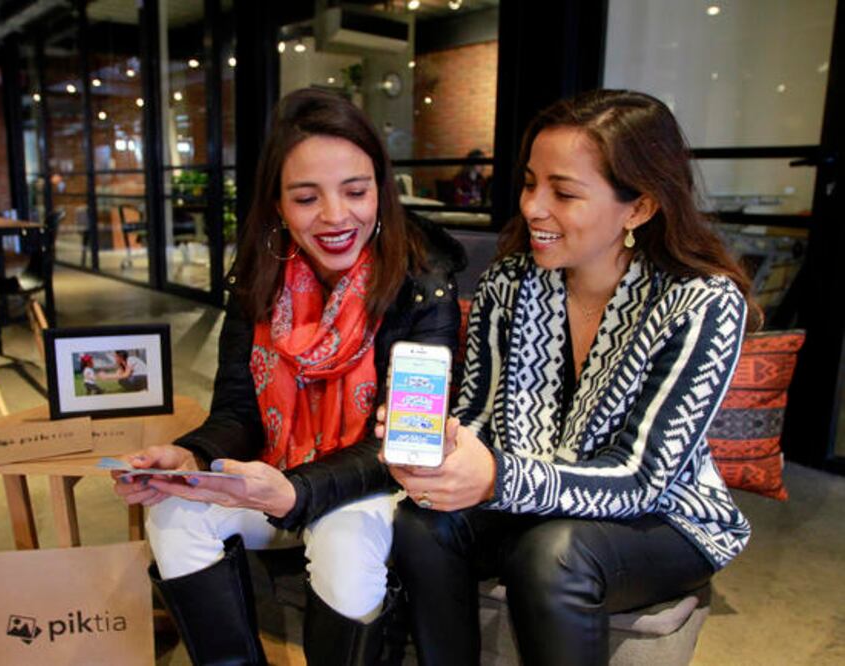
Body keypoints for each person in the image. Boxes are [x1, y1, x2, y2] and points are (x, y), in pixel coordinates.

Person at [383, 89, 757, 666]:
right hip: (534, 499)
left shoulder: (701, 303)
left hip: (662, 515)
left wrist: (497, 479)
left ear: (639, 208)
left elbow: (642, 478)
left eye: (564, 192)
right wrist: (445, 448)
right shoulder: (509, 284)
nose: (532, 207)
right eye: (531, 182)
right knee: (421, 521)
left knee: (552, 553)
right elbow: (482, 412)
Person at [112, 88, 464, 665]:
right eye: (306, 197)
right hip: (278, 473)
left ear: (381, 187)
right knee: (173, 512)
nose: (335, 216)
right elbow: (238, 412)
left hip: (374, 482)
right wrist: (192, 458)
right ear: (278, 204)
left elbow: (406, 443)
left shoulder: (422, 277)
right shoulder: (259, 274)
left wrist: (297, 492)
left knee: (346, 545)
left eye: (356, 191)